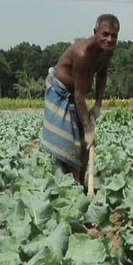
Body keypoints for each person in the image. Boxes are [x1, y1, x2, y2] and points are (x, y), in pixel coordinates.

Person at [40, 14, 119, 190]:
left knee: (84, 149)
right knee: (70, 147)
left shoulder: (107, 51)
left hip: (76, 96)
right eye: (105, 34)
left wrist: (98, 104)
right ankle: (70, 191)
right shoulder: (82, 53)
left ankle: (82, 186)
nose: (109, 39)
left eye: (114, 35)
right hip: (61, 94)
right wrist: (88, 129)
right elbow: (79, 95)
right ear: (95, 32)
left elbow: (102, 74)